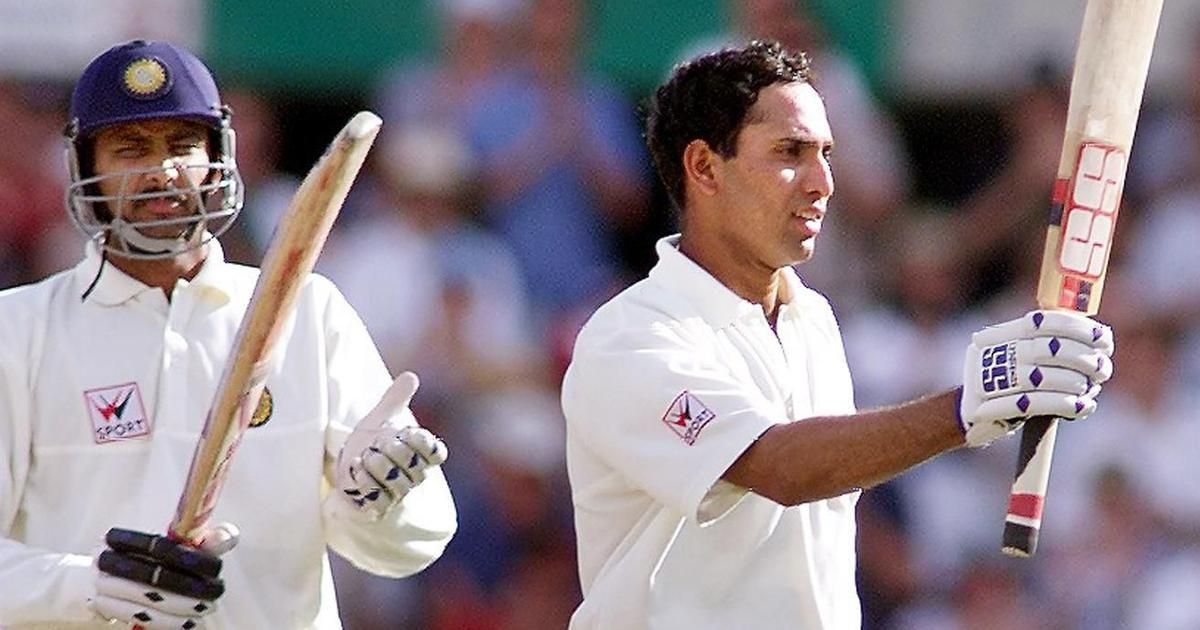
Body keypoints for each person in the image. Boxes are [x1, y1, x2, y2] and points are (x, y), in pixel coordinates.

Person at [559, 40, 1115, 629]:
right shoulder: (629, 337)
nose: (823, 182)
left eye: (826, 153)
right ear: (703, 167)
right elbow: (779, 468)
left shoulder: (814, 320)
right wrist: (971, 406)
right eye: (790, 152)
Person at [0, 40, 456, 629]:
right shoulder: (19, 330)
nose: (160, 170)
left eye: (182, 146)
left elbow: (407, 548)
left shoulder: (308, 311)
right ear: (85, 166)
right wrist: (87, 585)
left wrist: (381, 501)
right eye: (130, 148)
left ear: (219, 156)